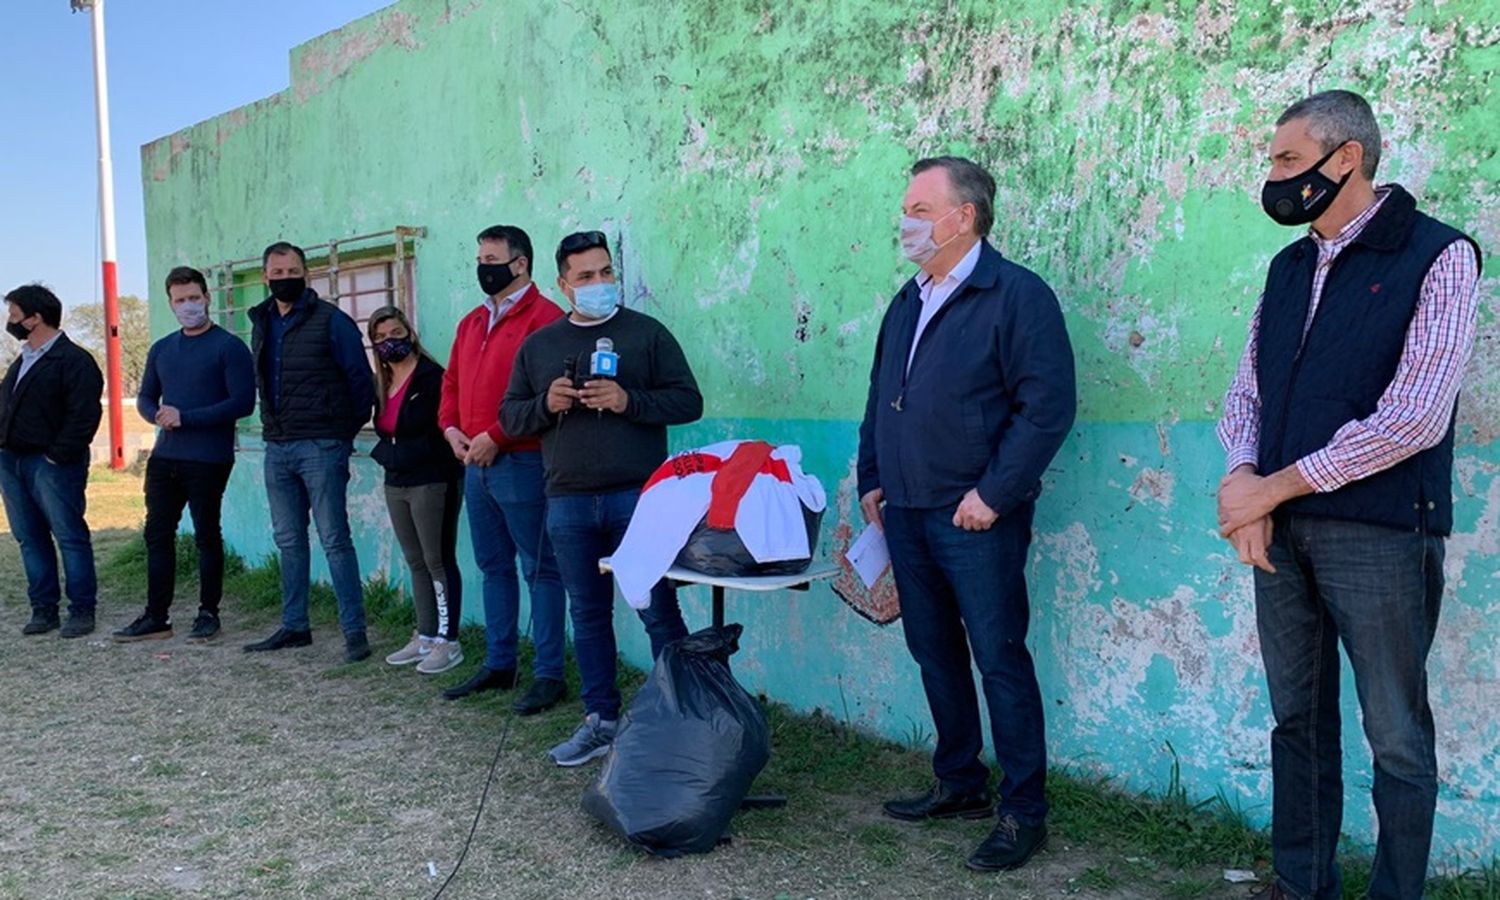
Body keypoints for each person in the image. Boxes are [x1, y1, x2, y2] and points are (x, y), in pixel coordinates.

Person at [1217, 90, 1481, 900]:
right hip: (1280, 531)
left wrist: (1272, 490)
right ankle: (1303, 884)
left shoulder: (1438, 255)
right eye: (1273, 161)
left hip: (1382, 532)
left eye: (1288, 160)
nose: (1274, 177)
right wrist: (1239, 479)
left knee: (1396, 735)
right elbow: (1247, 395)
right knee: (1297, 721)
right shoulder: (1289, 265)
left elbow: (1413, 417)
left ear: (1347, 159)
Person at [856, 157, 1076, 872]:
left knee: (999, 659)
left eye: (920, 207)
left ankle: (1023, 811)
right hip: (908, 514)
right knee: (934, 653)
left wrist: (994, 494)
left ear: (964, 216)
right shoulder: (908, 299)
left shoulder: (1016, 296)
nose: (906, 221)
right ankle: (958, 784)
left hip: (976, 517)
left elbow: (1046, 409)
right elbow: (880, 394)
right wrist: (872, 479)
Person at [501, 230, 701, 766]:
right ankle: (601, 721)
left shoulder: (646, 334)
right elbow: (510, 416)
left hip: (638, 498)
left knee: (657, 609)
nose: (598, 284)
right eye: (585, 277)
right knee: (588, 615)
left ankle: (679, 719)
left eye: (605, 272)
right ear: (562, 285)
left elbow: (688, 401)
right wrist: (546, 403)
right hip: (566, 501)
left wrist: (627, 399)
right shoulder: (539, 346)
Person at [437, 225, 568, 712]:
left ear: (520, 263)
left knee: (541, 570)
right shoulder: (472, 322)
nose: (482, 267)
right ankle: (500, 661)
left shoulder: (548, 319)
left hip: (524, 461)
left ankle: (549, 673)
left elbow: (550, 397)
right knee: (493, 567)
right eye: (479, 258)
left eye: (491, 258)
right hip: (474, 463)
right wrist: (452, 429)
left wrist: (498, 435)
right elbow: (450, 382)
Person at [243, 242, 377, 663]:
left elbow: (361, 381)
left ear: (307, 273)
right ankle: (295, 625)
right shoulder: (262, 321)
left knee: (335, 540)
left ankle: (354, 631)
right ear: (266, 276)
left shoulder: (332, 321)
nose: (285, 277)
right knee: (289, 541)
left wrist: (340, 434)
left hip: (322, 445)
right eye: (277, 271)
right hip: (277, 445)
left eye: (293, 270)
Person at [112, 266, 255, 643]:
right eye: (180, 300)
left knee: (207, 535)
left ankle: (209, 613)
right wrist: (154, 414)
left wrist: (186, 417)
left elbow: (242, 403)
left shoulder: (229, 347)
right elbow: (145, 396)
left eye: (194, 298)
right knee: (157, 533)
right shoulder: (162, 348)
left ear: (207, 298)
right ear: (170, 304)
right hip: (165, 458)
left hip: (209, 459)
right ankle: (156, 616)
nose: (189, 306)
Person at [0, 284, 104, 638]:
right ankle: (44, 609)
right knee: (30, 538)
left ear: (35, 318)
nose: (10, 322)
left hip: (52, 465)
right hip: (12, 462)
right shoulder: (23, 361)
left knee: (69, 536)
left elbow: (84, 416)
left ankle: (81, 610)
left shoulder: (74, 361)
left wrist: (56, 456)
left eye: (14, 315)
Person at [367, 306, 465, 674]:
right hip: (397, 480)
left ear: (409, 333)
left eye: (395, 333)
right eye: (380, 338)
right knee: (416, 560)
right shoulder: (382, 383)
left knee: (438, 559)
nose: (389, 342)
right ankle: (424, 634)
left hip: (433, 478)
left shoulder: (432, 377)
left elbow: (440, 425)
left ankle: (447, 639)